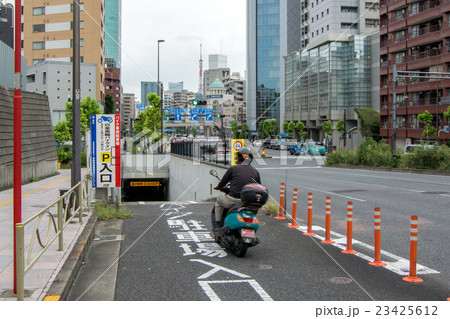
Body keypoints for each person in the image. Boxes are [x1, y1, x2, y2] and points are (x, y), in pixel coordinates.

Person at [213, 147, 261, 230]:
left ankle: (217, 225)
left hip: (233, 200)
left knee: (219, 200)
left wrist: (219, 187)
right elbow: (258, 187)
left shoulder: (233, 169)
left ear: (238, 158)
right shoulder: (255, 171)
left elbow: (223, 182)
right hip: (248, 203)